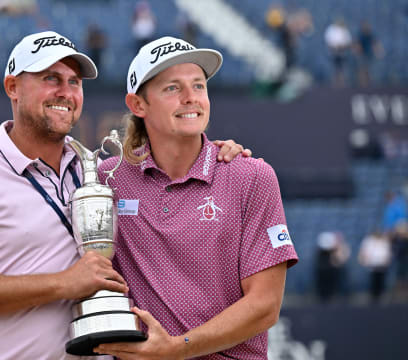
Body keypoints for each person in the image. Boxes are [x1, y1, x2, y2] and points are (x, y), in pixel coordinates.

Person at [0, 31, 249, 360]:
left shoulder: (100, 170)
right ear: (13, 87)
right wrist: (63, 283)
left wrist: (219, 154)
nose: (65, 92)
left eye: (74, 82)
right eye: (50, 78)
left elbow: (173, 162)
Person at [95, 37, 299, 359]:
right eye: (173, 89)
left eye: (199, 86)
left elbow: (265, 306)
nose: (191, 99)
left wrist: (178, 349)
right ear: (138, 105)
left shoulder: (252, 176)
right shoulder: (108, 178)